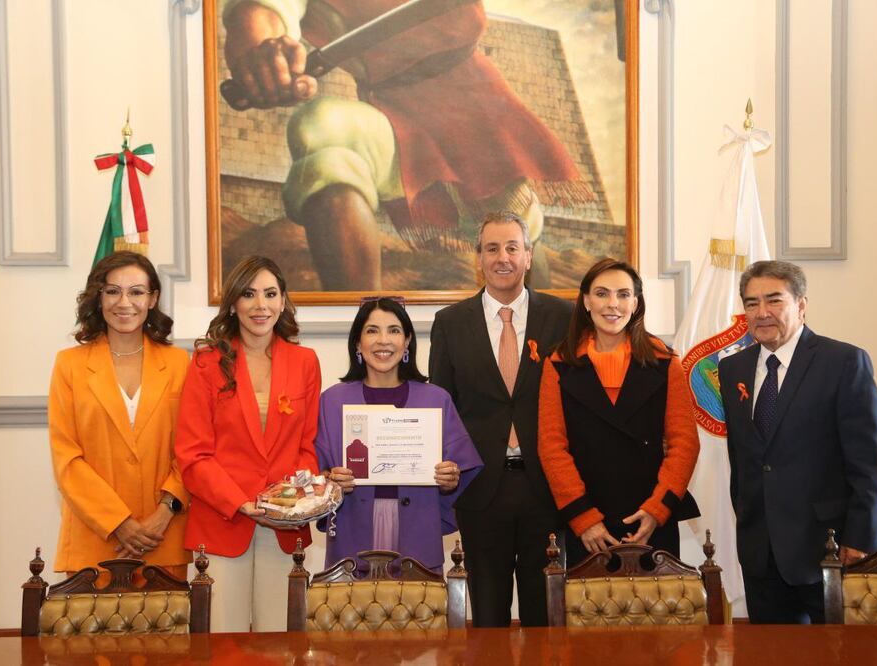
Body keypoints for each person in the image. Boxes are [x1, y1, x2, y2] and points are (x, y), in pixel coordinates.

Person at [219, 0, 583, 290]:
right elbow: (262, 12)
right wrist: (263, 53)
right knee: (321, 126)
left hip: (477, 113)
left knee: (514, 225)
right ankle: (360, 322)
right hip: (394, 120)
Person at [719, 260, 877, 624]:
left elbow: (869, 463)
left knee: (837, 650)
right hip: (760, 550)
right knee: (771, 650)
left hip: (828, 548)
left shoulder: (843, 362)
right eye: (751, 303)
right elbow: (742, 455)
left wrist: (861, 539)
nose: (762, 312)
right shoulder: (732, 369)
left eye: (774, 300)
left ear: (801, 304)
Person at [429, 211, 572, 627]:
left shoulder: (562, 318)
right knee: (488, 618)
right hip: (480, 489)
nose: (502, 257)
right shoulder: (450, 323)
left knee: (544, 617)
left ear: (529, 255)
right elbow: (443, 407)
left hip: (545, 486)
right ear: (479, 258)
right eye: (492, 248)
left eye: (512, 247)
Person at [175, 255, 321, 632]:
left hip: (283, 524)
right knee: (223, 643)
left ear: (283, 301)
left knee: (280, 642)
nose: (261, 305)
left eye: (270, 294)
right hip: (222, 520)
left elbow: (307, 446)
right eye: (249, 294)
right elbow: (193, 455)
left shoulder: (305, 362)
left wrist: (288, 502)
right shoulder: (206, 363)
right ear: (233, 304)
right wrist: (241, 503)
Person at [537, 258, 700, 568]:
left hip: (651, 519)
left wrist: (657, 511)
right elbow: (551, 447)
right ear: (586, 301)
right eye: (602, 293)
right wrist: (583, 518)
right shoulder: (558, 363)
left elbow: (685, 444)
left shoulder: (665, 361)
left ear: (635, 303)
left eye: (623, 294)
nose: (613, 304)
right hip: (588, 524)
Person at [48, 251, 190, 583]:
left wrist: (164, 513)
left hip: (162, 538)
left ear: (152, 298)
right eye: (113, 291)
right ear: (98, 297)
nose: (124, 302)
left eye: (136, 292)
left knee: (167, 621)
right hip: (95, 541)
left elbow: (190, 449)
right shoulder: (69, 365)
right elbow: (66, 458)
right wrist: (119, 523)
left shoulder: (179, 363)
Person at [314, 297, 483, 571]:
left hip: (417, 525)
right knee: (353, 600)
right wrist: (331, 482)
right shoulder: (332, 401)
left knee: (417, 600)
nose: (383, 340)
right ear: (357, 343)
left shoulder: (436, 399)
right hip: (353, 525)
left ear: (407, 342)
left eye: (394, 330)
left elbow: (461, 470)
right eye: (372, 330)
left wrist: (450, 479)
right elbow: (315, 474)